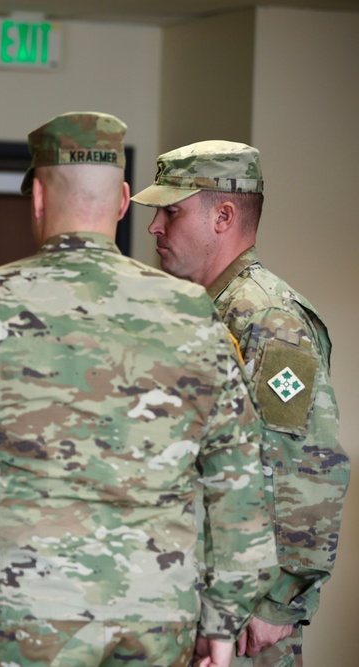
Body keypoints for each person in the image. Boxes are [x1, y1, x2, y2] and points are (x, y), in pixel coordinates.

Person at [0, 112, 278, 667]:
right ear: (125, 199)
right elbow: (237, 484)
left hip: (18, 622)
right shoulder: (193, 314)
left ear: (36, 198)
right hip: (157, 619)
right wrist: (220, 635)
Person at [132, 141, 350, 667]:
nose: (155, 226)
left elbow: (306, 467)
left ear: (223, 215)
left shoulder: (268, 320)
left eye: (172, 211)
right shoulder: (203, 310)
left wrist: (278, 601)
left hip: (246, 617)